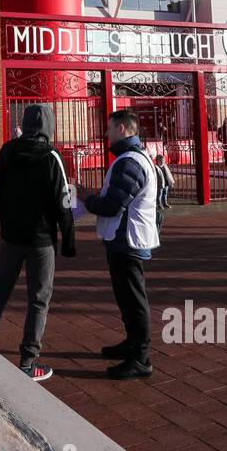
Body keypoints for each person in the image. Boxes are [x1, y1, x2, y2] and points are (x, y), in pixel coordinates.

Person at [0, 104, 76, 382]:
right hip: (41, 239)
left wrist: (5, 223)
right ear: (48, 125)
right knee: (38, 298)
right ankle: (28, 360)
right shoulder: (52, 155)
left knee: (0, 288)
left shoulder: (7, 151)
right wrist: (68, 240)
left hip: (11, 235)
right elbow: (64, 201)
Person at [77, 109, 160, 380]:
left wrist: (86, 198)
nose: (106, 133)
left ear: (122, 129)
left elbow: (113, 205)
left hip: (128, 241)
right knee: (126, 297)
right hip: (122, 240)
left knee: (134, 299)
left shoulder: (131, 162)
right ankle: (132, 343)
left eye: (110, 128)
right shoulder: (129, 159)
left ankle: (140, 357)